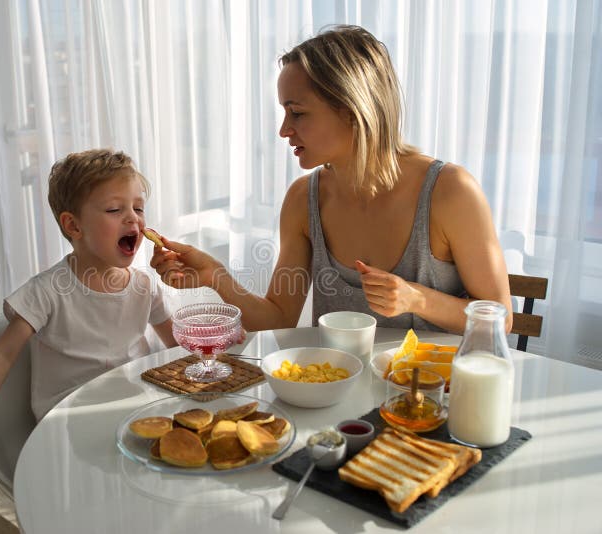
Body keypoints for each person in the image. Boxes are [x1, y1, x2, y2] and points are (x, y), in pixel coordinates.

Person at [150, 25, 511, 334]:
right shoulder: (303, 199)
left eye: (298, 112)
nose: (284, 130)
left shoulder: (450, 191)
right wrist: (216, 276)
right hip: (337, 402)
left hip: (427, 402)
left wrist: (416, 299)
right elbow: (279, 319)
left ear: (352, 111)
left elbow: (501, 318)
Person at [0, 149, 176, 475]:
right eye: (115, 209)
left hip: (133, 413)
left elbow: (179, 347)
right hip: (69, 424)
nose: (133, 218)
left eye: (139, 208)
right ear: (73, 225)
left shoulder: (145, 286)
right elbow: (2, 356)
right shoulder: (47, 292)